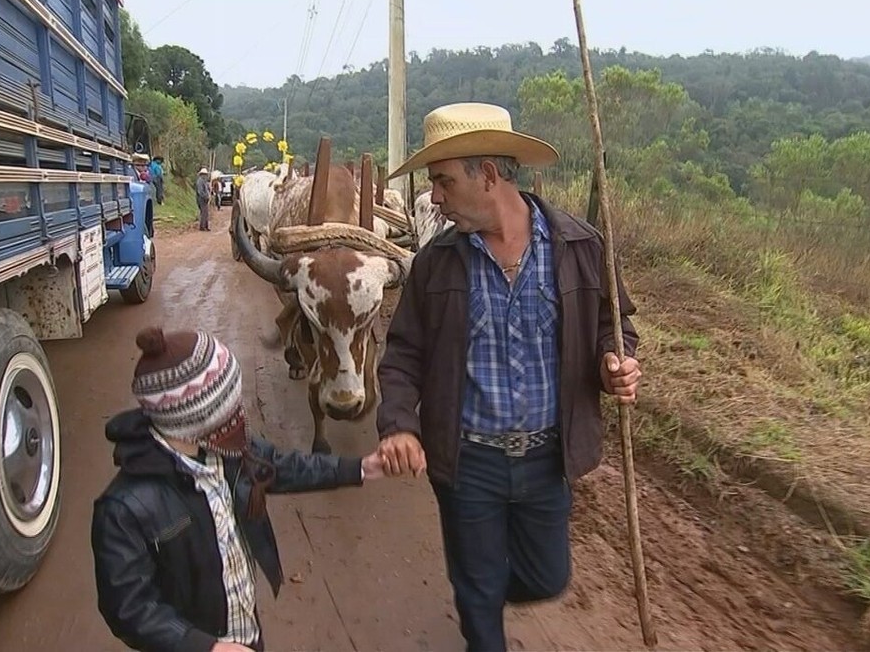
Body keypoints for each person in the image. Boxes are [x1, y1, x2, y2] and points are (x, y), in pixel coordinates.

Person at [376, 102, 641, 652]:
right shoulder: (435, 264)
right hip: (468, 461)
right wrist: (399, 424)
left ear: (489, 175)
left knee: (547, 577)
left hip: (548, 459)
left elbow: (613, 328)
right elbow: (403, 353)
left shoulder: (581, 247)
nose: (434, 198)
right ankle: (480, 605)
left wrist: (614, 363)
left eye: (444, 182)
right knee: (477, 597)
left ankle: (487, 586)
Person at [91, 326, 386, 652]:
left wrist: (359, 467)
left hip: (243, 631)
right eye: (230, 401)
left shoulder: (228, 450)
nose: (239, 410)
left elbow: (282, 466)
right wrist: (205, 647)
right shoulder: (123, 508)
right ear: (199, 415)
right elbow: (128, 608)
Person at [196, 167, 211, 231]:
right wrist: (205, 197)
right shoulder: (200, 181)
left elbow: (207, 189)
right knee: (203, 212)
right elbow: (200, 191)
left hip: (205, 199)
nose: (205, 176)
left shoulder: (205, 181)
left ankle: (205, 226)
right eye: (204, 174)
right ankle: (202, 226)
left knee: (206, 213)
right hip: (201, 199)